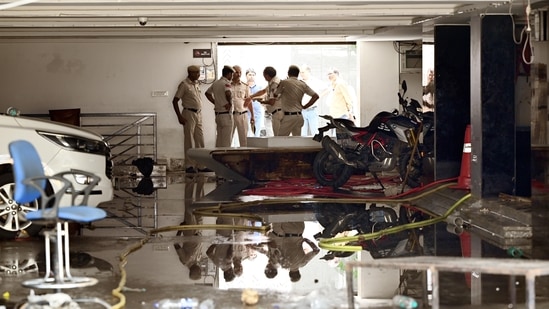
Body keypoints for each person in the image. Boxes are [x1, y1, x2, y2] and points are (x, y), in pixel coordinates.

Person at [171, 65, 207, 174]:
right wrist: (179, 116)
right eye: (196, 73)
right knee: (189, 140)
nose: (198, 75)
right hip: (188, 114)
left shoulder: (196, 84)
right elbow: (175, 101)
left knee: (200, 140)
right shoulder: (184, 85)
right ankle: (189, 165)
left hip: (198, 114)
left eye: (198, 72)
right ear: (190, 73)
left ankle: (201, 165)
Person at [275, 65, 319, 136]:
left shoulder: (284, 82)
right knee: (297, 140)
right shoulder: (302, 84)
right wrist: (305, 106)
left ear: (288, 73)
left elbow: (275, 94)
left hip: (289, 116)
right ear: (298, 74)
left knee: (281, 139)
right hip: (299, 116)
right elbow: (316, 96)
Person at [205, 65, 235, 147]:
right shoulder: (226, 83)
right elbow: (228, 93)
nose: (232, 77)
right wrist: (230, 103)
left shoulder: (216, 83)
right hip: (226, 114)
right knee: (226, 140)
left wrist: (215, 102)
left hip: (218, 114)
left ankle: (217, 158)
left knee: (219, 139)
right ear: (228, 74)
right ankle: (226, 158)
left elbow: (207, 93)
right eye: (231, 75)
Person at [250, 66, 282, 136]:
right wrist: (252, 96)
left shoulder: (274, 84)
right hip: (273, 113)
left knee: (278, 136)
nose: (264, 77)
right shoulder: (272, 82)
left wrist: (262, 101)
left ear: (267, 75)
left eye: (264, 75)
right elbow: (263, 91)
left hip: (277, 112)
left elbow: (272, 102)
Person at [299, 64, 326, 136]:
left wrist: (319, 96)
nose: (301, 74)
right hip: (301, 111)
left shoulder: (315, 81)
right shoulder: (299, 82)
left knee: (315, 132)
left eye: (303, 72)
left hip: (312, 110)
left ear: (308, 71)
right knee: (302, 133)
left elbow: (327, 88)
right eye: (300, 72)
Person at [230, 65, 253, 147]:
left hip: (242, 114)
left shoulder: (245, 86)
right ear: (232, 73)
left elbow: (249, 101)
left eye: (240, 72)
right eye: (236, 72)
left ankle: (245, 159)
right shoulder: (227, 85)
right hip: (230, 115)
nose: (239, 74)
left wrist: (252, 116)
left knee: (244, 140)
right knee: (228, 139)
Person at [245, 68, 265, 137]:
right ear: (246, 76)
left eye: (253, 75)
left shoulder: (259, 88)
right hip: (246, 113)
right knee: (247, 134)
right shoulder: (244, 87)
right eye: (249, 75)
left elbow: (263, 97)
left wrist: (253, 97)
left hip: (257, 114)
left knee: (256, 134)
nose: (251, 76)